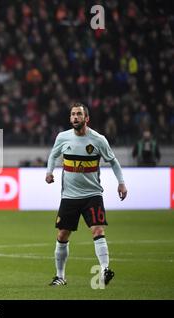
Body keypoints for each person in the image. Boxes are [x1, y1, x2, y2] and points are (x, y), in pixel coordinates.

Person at [45, 102, 128, 286]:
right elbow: (53, 155)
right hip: (69, 196)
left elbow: (113, 161)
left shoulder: (98, 140)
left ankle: (105, 270)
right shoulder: (62, 137)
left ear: (86, 118)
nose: (75, 117)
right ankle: (60, 276)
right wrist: (49, 171)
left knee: (98, 230)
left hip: (92, 194)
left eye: (79, 114)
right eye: (73, 114)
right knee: (62, 235)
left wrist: (121, 183)